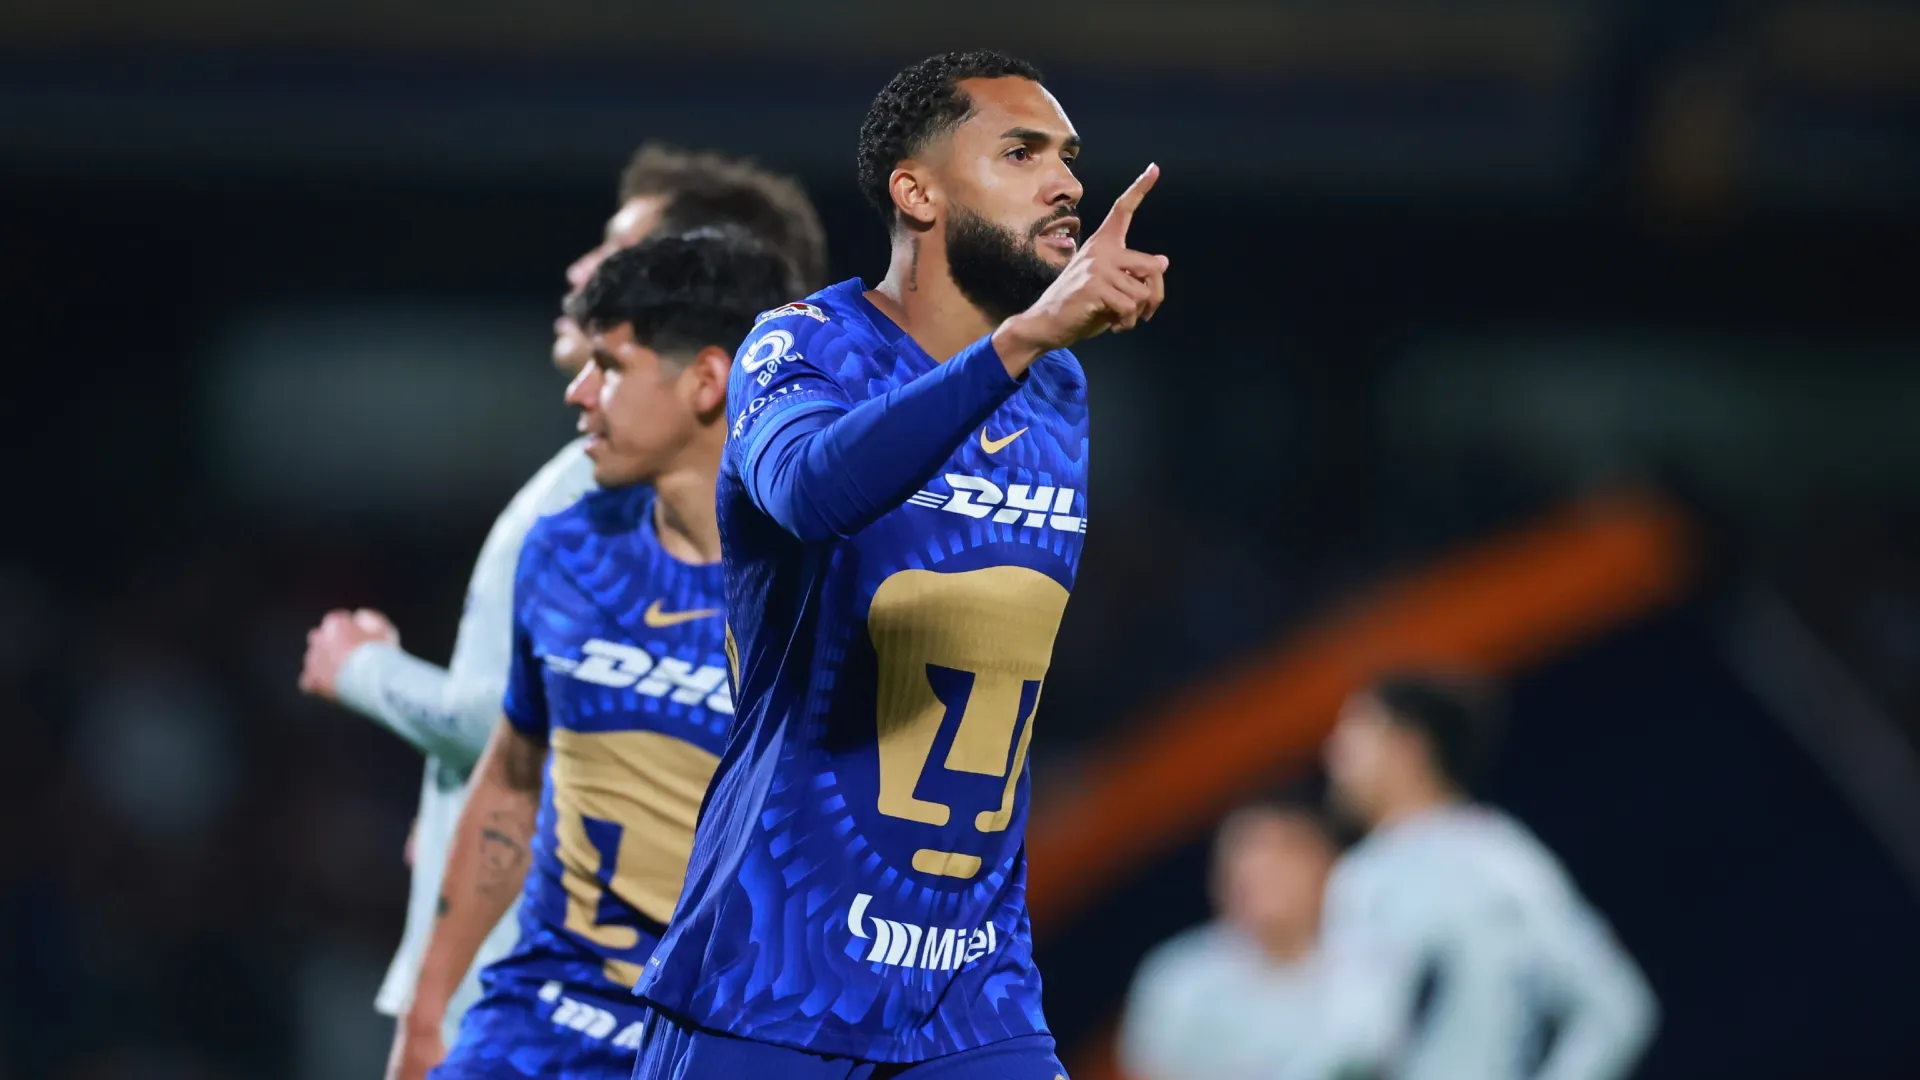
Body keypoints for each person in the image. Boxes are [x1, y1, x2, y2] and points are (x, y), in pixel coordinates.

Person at [630, 49, 1169, 1079]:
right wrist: (1021, 341)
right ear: (914, 192)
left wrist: (1031, 349)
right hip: (774, 966)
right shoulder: (801, 346)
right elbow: (813, 492)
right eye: (1022, 152)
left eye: (1069, 157)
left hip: (971, 983)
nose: (1067, 183)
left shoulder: (1057, 391)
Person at [295, 144, 826, 1062]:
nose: (585, 271)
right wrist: (435, 1001)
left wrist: (365, 672)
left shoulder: (827, 573)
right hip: (535, 1002)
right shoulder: (575, 528)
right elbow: (514, 753)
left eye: (622, 251)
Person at [394, 232, 798, 1080]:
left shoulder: (815, 592)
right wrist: (428, 1009)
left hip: (721, 1044)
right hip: (543, 1018)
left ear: (706, 380)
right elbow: (511, 776)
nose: (579, 393)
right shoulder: (565, 551)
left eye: (609, 365)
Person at [1303, 674, 1659, 1080]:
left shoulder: (1380, 876)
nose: (1334, 753)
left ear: (1407, 746)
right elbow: (1617, 1010)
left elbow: (1357, 1045)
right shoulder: (1503, 854)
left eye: (1355, 732)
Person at [1118, 805, 1337, 1080]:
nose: (1260, 867)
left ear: (1329, 863)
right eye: (1243, 856)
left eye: (1285, 851)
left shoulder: (1370, 952)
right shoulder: (1180, 981)